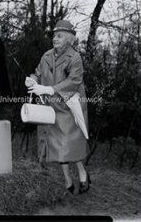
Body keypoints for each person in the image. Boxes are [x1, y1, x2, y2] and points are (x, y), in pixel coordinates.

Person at [25, 20, 91, 194]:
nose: (55, 38)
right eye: (54, 35)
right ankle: (68, 179)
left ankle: (82, 172)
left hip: (70, 106)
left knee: (69, 143)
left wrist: (49, 89)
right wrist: (32, 79)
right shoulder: (46, 56)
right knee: (56, 144)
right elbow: (37, 73)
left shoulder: (74, 57)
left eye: (59, 35)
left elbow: (74, 80)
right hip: (50, 107)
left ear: (69, 39)